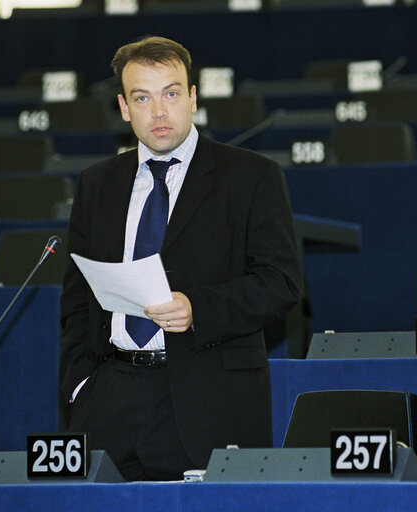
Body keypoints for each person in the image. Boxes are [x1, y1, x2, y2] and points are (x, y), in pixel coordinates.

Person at [59, 36, 303, 481]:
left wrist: (199, 308)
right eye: (142, 97)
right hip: (110, 403)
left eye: (171, 93)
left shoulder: (250, 176)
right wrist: (80, 386)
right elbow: (77, 299)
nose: (158, 112)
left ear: (192, 98)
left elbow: (281, 283)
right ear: (123, 107)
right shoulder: (97, 184)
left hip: (209, 398)